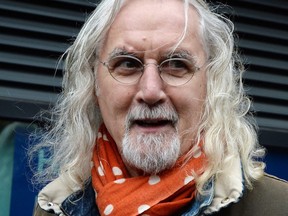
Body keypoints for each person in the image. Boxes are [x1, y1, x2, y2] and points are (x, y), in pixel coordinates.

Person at [30, 0, 288, 215]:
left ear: (211, 85)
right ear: (94, 85)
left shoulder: (277, 208)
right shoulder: (55, 207)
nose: (151, 91)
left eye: (176, 64)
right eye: (128, 64)